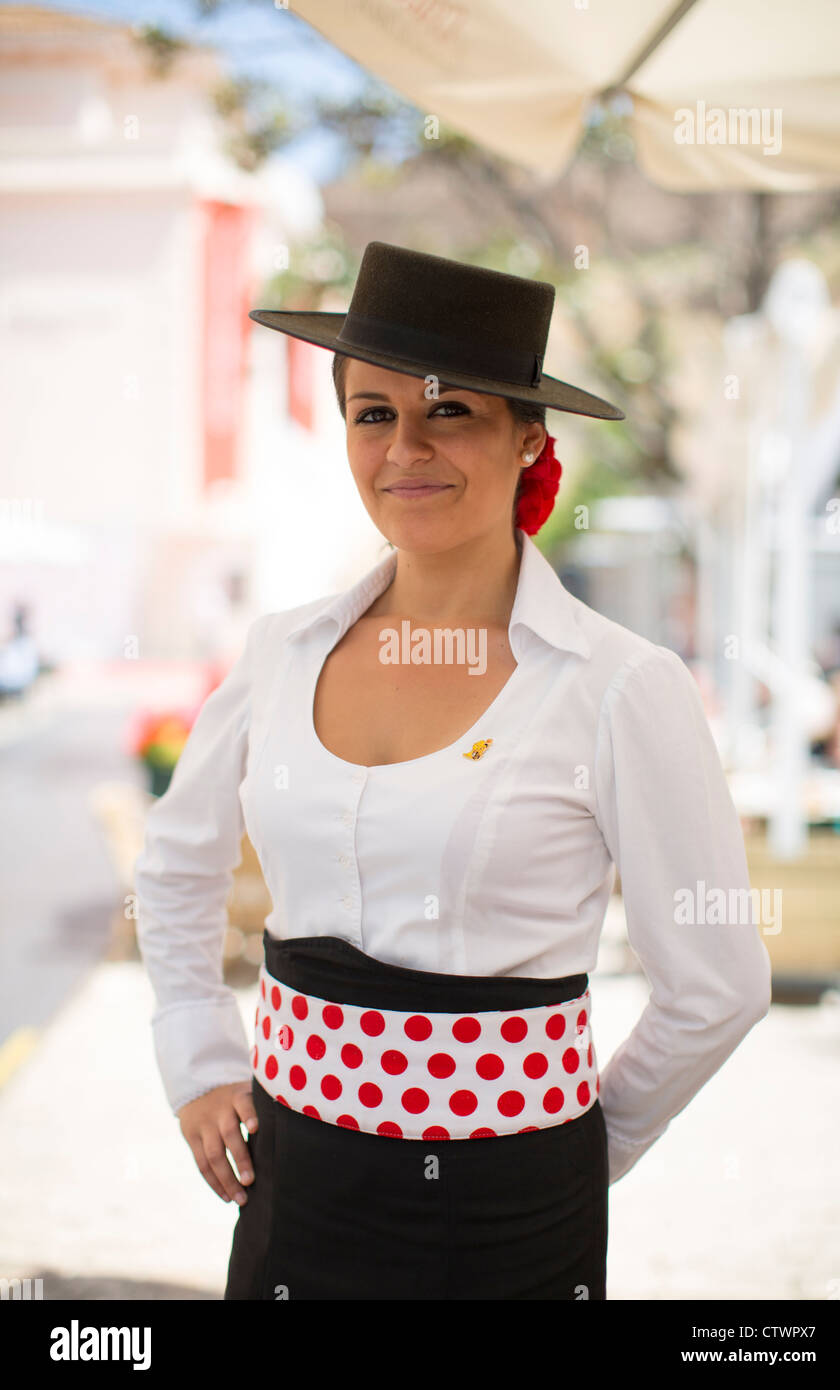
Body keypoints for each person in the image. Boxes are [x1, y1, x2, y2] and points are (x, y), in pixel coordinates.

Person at [134, 241, 772, 1301]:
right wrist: (197, 1058)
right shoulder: (281, 651)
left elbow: (719, 983)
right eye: (371, 412)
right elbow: (173, 866)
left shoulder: (617, 686)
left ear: (529, 440)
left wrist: (566, 1148)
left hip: (512, 1222)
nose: (404, 447)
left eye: (450, 412)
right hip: (292, 1189)